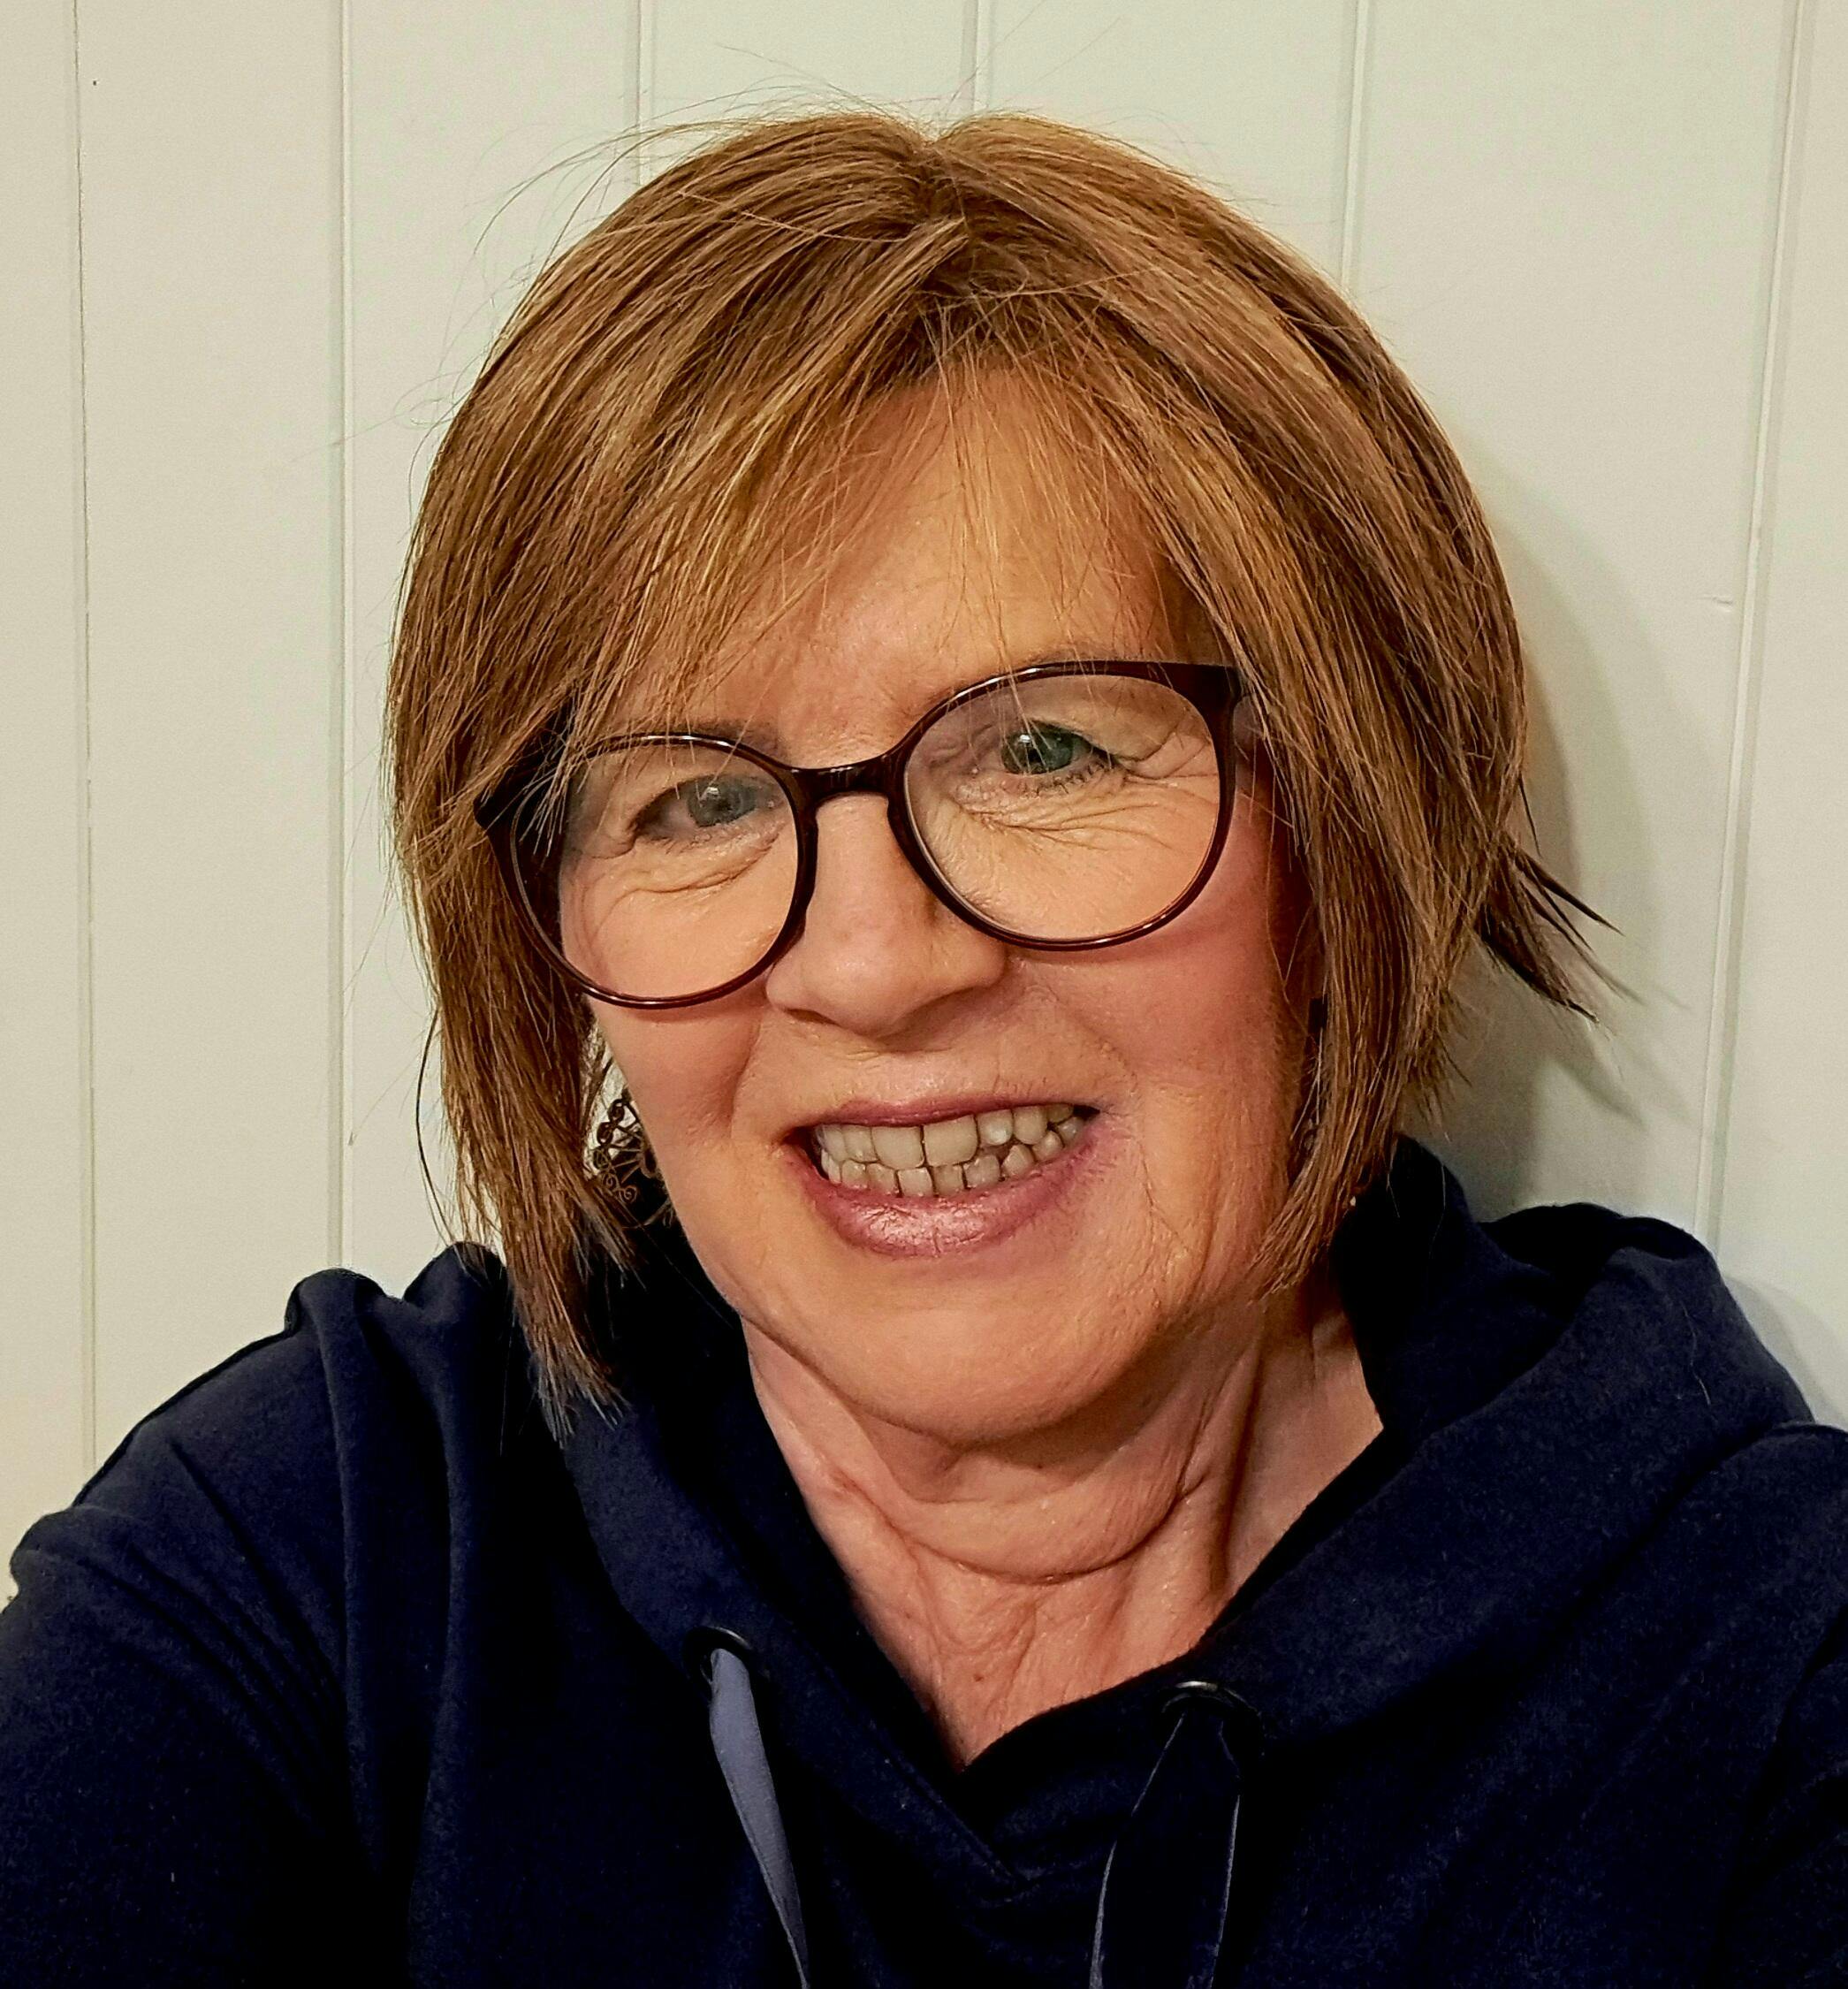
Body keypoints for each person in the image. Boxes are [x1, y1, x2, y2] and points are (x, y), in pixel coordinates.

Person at [3, 107, 1845, 1988]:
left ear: (1346, 827)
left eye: (1044, 749)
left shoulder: (1763, 1676)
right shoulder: (318, 1569)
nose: (876, 965)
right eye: (697, 798)